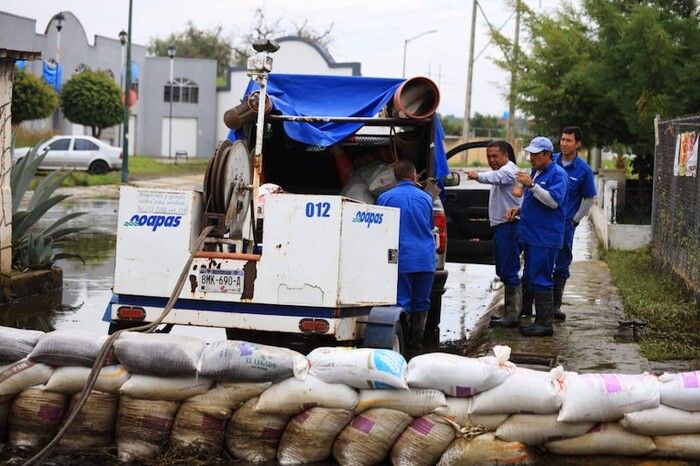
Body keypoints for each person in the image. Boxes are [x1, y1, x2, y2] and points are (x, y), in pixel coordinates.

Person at [505, 137, 568, 337]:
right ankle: (538, 320)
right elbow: (534, 200)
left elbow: (553, 202)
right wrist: (519, 209)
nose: (531, 158)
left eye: (536, 154)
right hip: (532, 235)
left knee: (541, 278)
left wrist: (532, 185)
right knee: (532, 276)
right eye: (530, 153)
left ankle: (544, 323)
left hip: (545, 237)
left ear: (547, 155)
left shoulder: (558, 174)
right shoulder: (536, 172)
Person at [376, 159, 435, 350]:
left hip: (401, 258)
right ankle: (417, 341)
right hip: (425, 258)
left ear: (395, 177)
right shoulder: (426, 198)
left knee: (401, 300)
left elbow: (381, 229)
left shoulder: (385, 198)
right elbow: (430, 224)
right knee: (422, 300)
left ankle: (400, 342)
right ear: (414, 175)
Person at [464, 141, 522, 328]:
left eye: (495, 156)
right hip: (501, 226)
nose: (491, 160)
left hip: (510, 225)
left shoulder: (509, 171)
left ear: (505, 155)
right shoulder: (504, 173)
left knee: (510, 270)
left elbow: (495, 177)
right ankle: (509, 313)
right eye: (488, 157)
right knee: (503, 270)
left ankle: (513, 315)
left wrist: (477, 175)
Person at [551, 126, 597, 320]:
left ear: (578, 144)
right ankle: (528, 307)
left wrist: (575, 220)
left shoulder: (583, 170)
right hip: (543, 224)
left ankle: (554, 307)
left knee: (561, 265)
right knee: (536, 263)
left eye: (568, 140)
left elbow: (588, 198)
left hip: (564, 227)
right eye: (562, 139)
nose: (564, 144)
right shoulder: (550, 160)